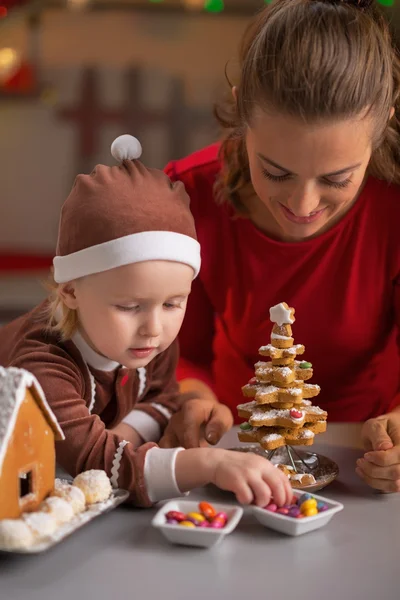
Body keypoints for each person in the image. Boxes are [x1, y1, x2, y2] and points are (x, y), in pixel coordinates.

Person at [159, 0, 400, 493]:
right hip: (237, 454)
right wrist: (193, 398)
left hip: (368, 459)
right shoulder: (189, 197)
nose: (302, 203)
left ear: (382, 127)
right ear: (242, 112)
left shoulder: (392, 209)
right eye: (276, 171)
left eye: (337, 178)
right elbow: (180, 349)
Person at [0, 135, 292, 508]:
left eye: (173, 303)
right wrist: (209, 463)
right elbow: (98, 466)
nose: (154, 327)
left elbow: (164, 399)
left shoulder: (145, 343)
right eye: (128, 306)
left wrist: (122, 435)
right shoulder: (43, 365)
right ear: (70, 290)